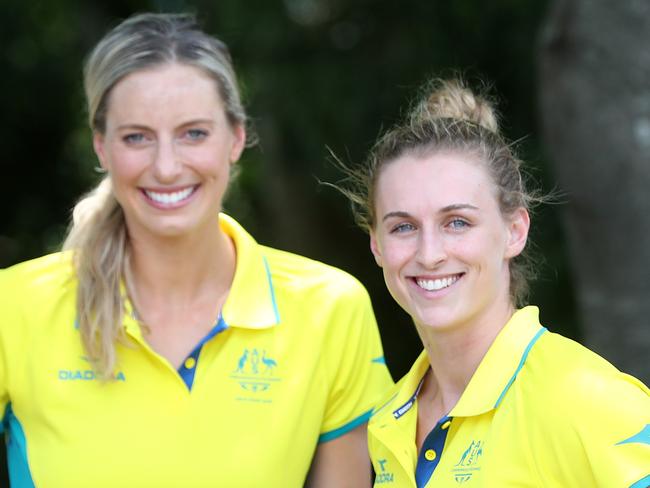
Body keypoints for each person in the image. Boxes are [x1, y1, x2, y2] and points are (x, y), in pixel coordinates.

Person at [0, 13, 393, 487]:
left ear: (237, 138)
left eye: (193, 133)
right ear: (101, 147)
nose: (166, 167)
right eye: (137, 137)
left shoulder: (330, 308)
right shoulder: (14, 307)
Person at [337, 78, 650, 486]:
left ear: (514, 231)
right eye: (403, 227)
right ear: (376, 244)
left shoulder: (586, 398)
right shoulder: (388, 419)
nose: (429, 253)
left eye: (457, 223)